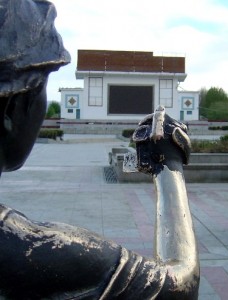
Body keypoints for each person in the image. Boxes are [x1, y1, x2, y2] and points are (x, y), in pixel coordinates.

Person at [0, 1, 200, 299]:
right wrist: (168, 165)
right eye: (42, 87)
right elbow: (180, 283)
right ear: (11, 107)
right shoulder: (35, 250)